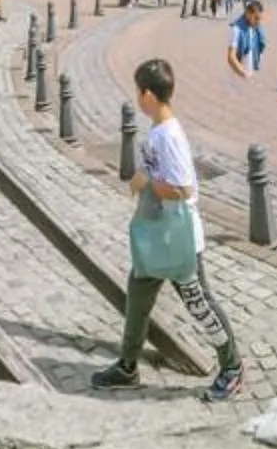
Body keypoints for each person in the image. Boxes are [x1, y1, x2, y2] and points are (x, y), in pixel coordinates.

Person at [91, 58, 246, 402]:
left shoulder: (169, 136)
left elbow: (182, 189)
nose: (136, 97)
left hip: (178, 239)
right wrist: (143, 178)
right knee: (138, 295)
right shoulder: (159, 131)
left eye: (138, 92)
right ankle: (127, 366)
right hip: (156, 235)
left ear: (148, 95)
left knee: (200, 304)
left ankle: (232, 367)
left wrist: (147, 183)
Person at [225, 0, 269, 79]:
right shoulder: (237, 29)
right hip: (237, 74)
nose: (258, 22)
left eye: (260, 19)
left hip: (249, 72)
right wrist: (243, 73)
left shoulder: (256, 27)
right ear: (248, 14)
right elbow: (231, 56)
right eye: (256, 18)